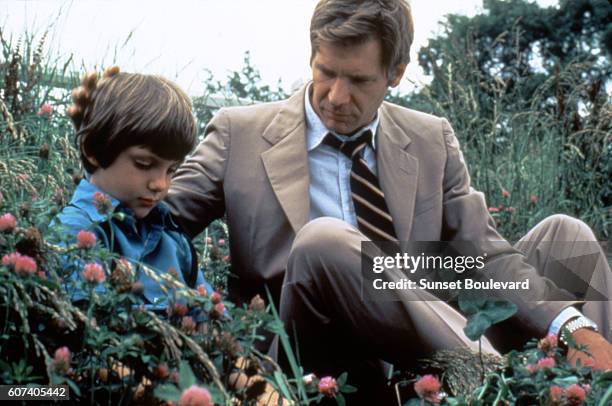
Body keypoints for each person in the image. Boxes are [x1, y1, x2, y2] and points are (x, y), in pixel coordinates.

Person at [165, 0, 611, 401]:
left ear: (395, 73)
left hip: (430, 340)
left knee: (565, 238)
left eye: (358, 80)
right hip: (314, 357)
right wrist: (105, 152)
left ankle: (598, 386)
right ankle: (500, 386)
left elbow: (483, 255)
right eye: (326, 72)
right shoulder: (237, 133)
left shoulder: (430, 137)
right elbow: (155, 223)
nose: (336, 97)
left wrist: (573, 327)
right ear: (312, 57)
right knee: (323, 240)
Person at [52, 67, 212, 308]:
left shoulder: (174, 242)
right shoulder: (76, 232)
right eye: (144, 164)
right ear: (93, 150)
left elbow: (212, 317)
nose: (161, 184)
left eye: (172, 170)